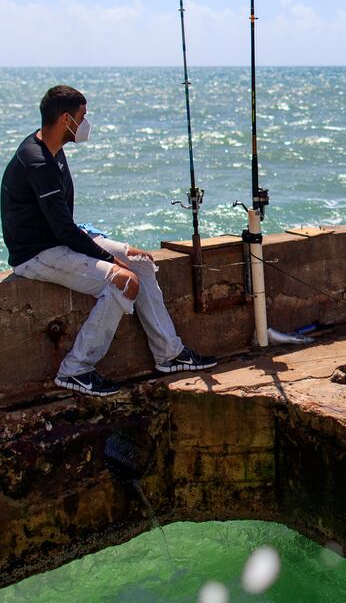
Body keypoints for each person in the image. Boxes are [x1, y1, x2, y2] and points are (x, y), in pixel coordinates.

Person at [1, 85, 216, 396]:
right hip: (37, 254)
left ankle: (169, 354)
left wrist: (107, 247)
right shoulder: (37, 162)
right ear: (65, 119)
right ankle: (76, 369)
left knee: (140, 263)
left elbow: (64, 223)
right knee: (122, 282)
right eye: (82, 117)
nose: (86, 123)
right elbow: (63, 230)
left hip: (58, 240)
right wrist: (109, 259)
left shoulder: (53, 149)